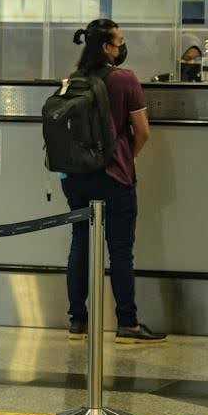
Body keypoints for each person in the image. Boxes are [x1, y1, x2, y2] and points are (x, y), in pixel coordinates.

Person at [62, 19, 164, 344]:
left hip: (76, 177)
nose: (122, 47)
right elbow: (143, 131)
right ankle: (127, 323)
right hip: (114, 176)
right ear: (107, 47)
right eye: (119, 42)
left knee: (80, 243)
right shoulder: (125, 79)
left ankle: (77, 321)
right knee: (120, 250)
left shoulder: (72, 80)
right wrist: (125, 157)